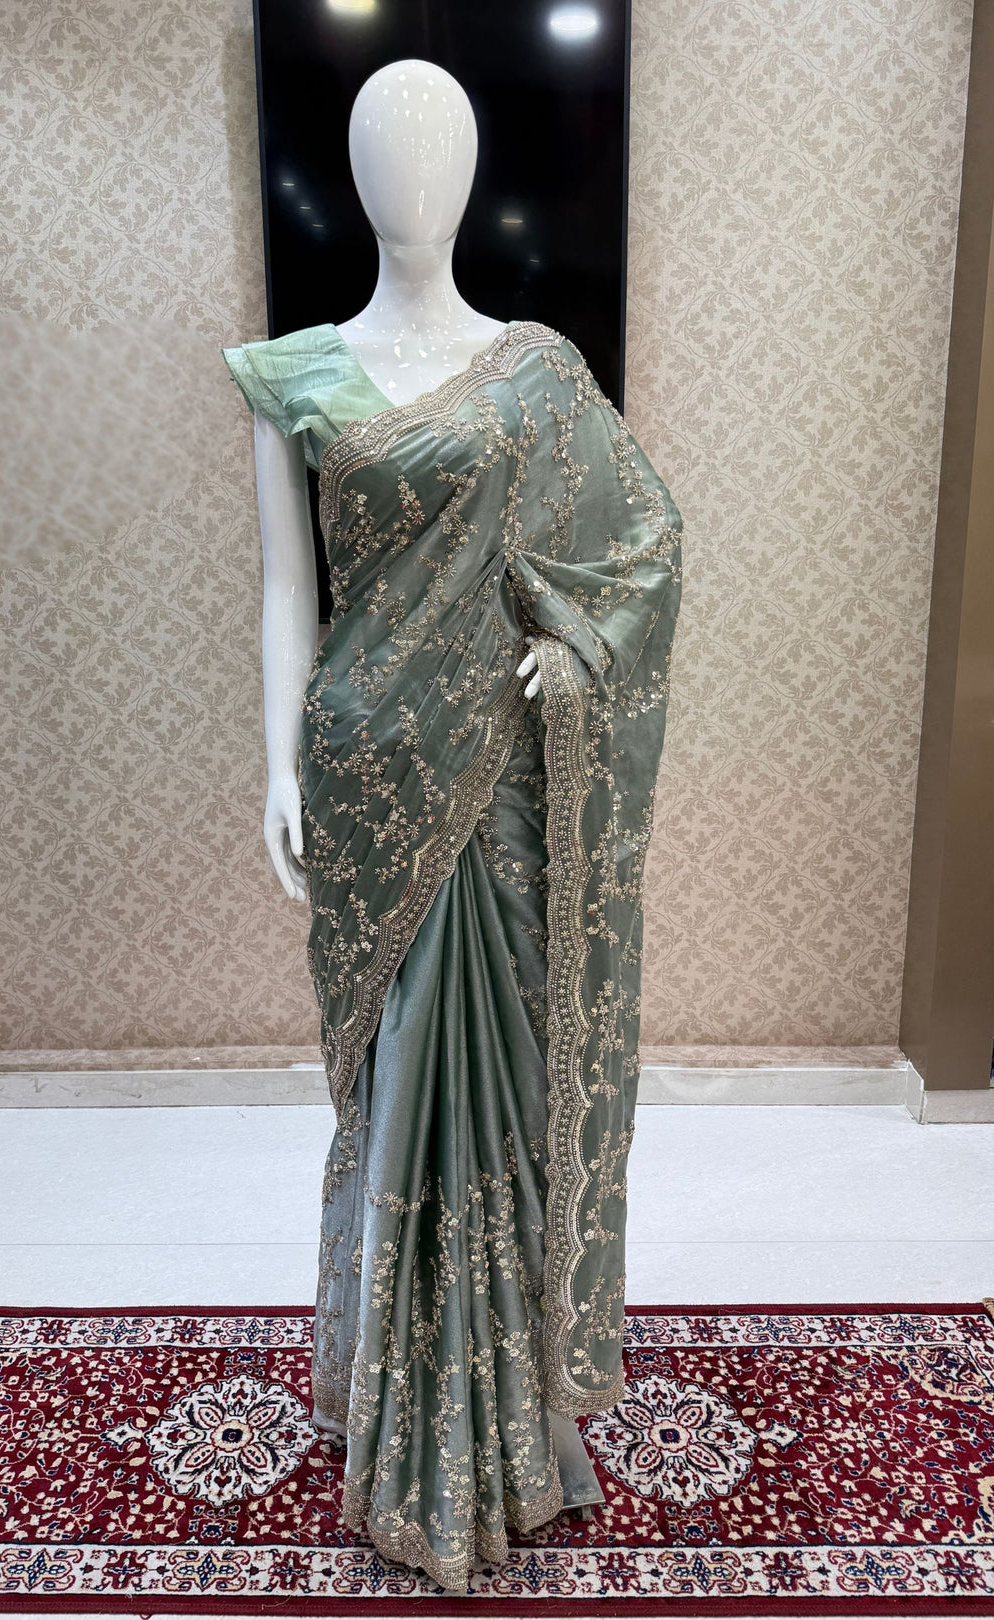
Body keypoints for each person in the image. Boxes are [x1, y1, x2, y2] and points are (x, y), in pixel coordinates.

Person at [222, 58, 683, 1594]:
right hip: (369, 775)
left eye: (436, 150)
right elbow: (286, 593)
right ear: (349, 176)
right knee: (400, 1084)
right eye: (383, 150)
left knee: (502, 1085)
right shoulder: (292, 375)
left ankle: (505, 1428)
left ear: (474, 174)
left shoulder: (536, 373)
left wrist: (581, 647)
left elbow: (642, 543)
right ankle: (410, 1423)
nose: (410, 176)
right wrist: (278, 766)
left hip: (501, 786)